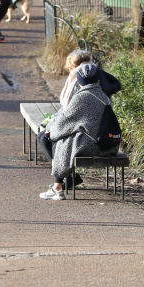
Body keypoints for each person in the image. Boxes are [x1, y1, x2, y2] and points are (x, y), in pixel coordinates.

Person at [39, 63, 121, 201]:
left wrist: (50, 131)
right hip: (109, 144)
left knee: (53, 140)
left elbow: (63, 124)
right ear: (98, 79)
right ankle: (62, 183)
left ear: (79, 80)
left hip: (93, 146)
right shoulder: (104, 96)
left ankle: (58, 187)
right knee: (62, 140)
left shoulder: (81, 97)